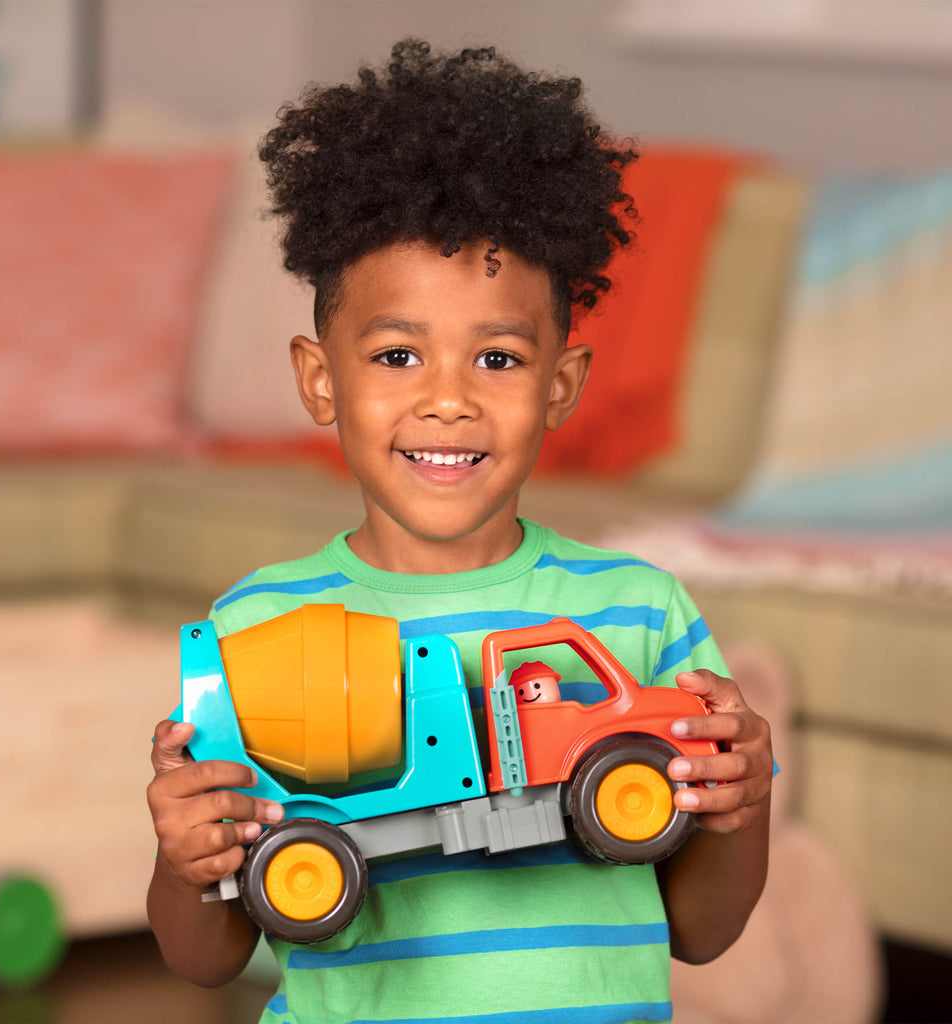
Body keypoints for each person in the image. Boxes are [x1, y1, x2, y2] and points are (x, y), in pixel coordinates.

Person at [146, 39, 773, 1024]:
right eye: (398, 355)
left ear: (560, 384)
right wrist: (187, 857)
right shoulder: (258, 622)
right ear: (319, 379)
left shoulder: (638, 608)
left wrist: (743, 803)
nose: (447, 400)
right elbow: (205, 959)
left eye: (498, 358)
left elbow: (702, 930)